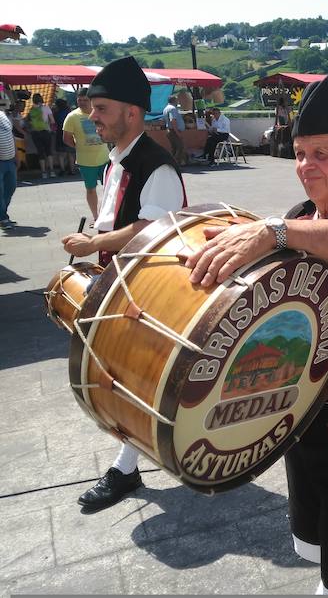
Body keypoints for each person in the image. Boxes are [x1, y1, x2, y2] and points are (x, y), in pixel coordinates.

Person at [185, 66, 328, 594]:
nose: (305, 167)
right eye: (300, 153)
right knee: (317, 530)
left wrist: (274, 232)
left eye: (321, 154)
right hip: (298, 411)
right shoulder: (298, 214)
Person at [61, 56, 186, 511]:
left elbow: (152, 229)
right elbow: (117, 218)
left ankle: (125, 467)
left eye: (102, 109)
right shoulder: (118, 160)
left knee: (129, 380)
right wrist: (96, 243)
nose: (92, 118)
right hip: (120, 282)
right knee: (119, 379)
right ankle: (128, 464)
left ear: (132, 112)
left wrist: (93, 243)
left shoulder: (157, 166)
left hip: (148, 291)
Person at [63, 88, 110, 222]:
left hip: (104, 158)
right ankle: (96, 217)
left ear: (91, 100)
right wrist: (79, 147)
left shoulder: (100, 113)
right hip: (85, 161)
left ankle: (108, 214)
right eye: (80, 100)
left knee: (109, 188)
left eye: (85, 100)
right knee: (90, 189)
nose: (82, 103)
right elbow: (66, 138)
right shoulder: (72, 116)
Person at [25, 93, 57, 178]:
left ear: (33, 100)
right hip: (46, 132)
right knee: (48, 151)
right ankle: (52, 171)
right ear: (41, 99)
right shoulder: (46, 108)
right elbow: (52, 121)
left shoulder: (31, 109)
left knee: (40, 152)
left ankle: (43, 172)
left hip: (35, 132)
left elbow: (28, 121)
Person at [0, 91, 16, 229]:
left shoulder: (3, 115)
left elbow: (10, 135)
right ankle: (3, 218)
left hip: (9, 159)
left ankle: (2, 214)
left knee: (10, 188)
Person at [53, 98, 76, 175]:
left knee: (61, 154)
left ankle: (62, 169)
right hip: (70, 132)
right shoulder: (70, 113)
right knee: (70, 153)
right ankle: (72, 170)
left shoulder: (56, 113)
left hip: (60, 133)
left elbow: (54, 123)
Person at [162, 95, 187, 166]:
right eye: (177, 100)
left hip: (170, 130)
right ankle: (174, 164)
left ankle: (171, 164)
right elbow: (173, 120)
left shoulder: (166, 108)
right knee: (180, 147)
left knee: (174, 148)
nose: (178, 101)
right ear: (174, 101)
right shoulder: (172, 109)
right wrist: (177, 132)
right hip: (173, 131)